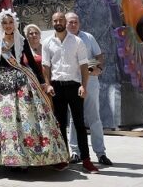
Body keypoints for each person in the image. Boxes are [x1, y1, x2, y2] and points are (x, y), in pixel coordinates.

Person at [0, 10, 68, 168]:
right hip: (1, 87)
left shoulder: (21, 40)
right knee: (6, 123)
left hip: (21, 83)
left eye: (10, 22)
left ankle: (27, 157)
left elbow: (30, 61)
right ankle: (10, 159)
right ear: (1, 25)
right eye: (5, 23)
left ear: (15, 24)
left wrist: (41, 81)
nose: (8, 25)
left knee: (25, 119)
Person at [42, 12, 98, 173]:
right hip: (57, 88)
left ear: (65, 22)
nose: (58, 22)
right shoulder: (47, 43)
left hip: (74, 86)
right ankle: (63, 159)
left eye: (61, 20)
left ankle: (86, 160)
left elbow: (83, 65)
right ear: (52, 22)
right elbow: (46, 66)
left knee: (80, 124)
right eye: (55, 20)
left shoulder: (77, 41)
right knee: (60, 124)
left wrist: (84, 86)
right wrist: (48, 85)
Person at [66, 13, 112, 166]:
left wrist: (98, 67)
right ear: (65, 24)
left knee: (95, 118)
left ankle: (101, 153)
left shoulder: (88, 37)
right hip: (72, 82)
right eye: (70, 22)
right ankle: (75, 152)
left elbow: (99, 55)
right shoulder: (62, 40)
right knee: (74, 118)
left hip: (91, 81)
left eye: (76, 22)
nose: (73, 24)